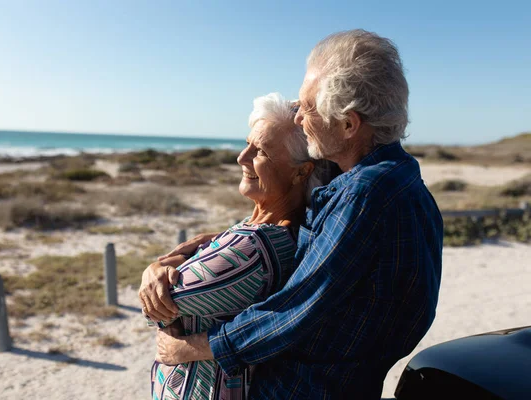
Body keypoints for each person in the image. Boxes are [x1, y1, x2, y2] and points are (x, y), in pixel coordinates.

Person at [142, 29, 443, 399]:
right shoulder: (388, 176)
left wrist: (199, 347)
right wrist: (186, 252)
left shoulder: (366, 194)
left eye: (308, 107)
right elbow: (282, 224)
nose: (300, 118)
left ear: (349, 125)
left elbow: (300, 305)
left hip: (309, 387)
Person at [140, 93, 339, 399]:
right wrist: (163, 264)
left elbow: (158, 305)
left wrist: (159, 269)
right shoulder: (269, 230)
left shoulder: (251, 248)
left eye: (261, 152)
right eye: (247, 143)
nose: (242, 157)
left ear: (302, 171)